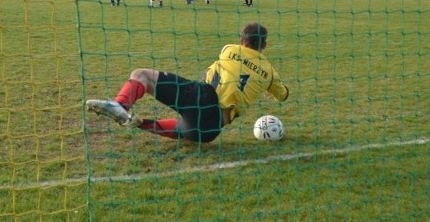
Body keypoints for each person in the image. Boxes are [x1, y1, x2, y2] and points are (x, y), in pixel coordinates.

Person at [86, 22, 290, 144]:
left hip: (203, 98)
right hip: (211, 130)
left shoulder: (229, 49)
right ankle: (138, 122)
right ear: (264, 45)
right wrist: (270, 84)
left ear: (241, 40)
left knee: (141, 75)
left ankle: (120, 104)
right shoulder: (270, 73)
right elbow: (283, 96)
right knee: (184, 130)